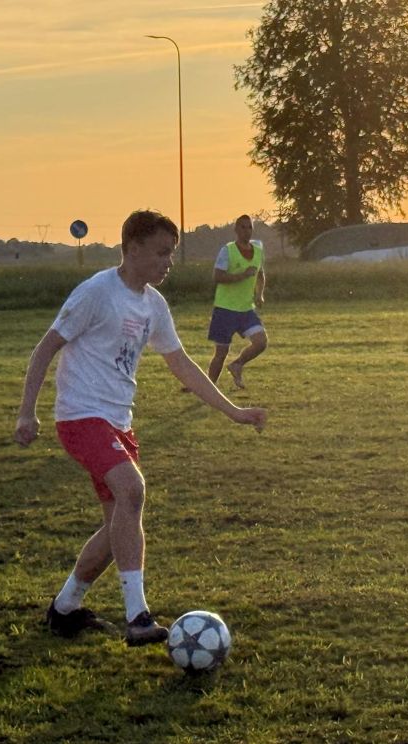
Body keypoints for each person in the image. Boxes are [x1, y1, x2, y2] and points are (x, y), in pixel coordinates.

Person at [14, 210, 267, 646]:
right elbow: (45, 348)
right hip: (81, 417)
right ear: (132, 250)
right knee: (132, 490)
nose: (168, 262)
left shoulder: (153, 304)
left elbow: (181, 364)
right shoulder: (97, 292)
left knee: (118, 528)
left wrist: (233, 411)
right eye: (161, 253)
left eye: (171, 253)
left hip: (118, 422)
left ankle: (64, 609)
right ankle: (138, 618)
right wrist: (26, 413)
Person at [206, 214, 267, 390]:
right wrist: (242, 276)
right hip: (225, 309)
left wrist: (259, 294)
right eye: (243, 227)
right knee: (221, 353)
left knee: (261, 342)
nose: (247, 231)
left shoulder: (258, 250)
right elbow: (217, 276)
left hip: (246, 309)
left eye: (250, 227)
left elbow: (260, 274)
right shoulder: (228, 251)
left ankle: (237, 364)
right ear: (236, 230)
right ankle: (209, 389)